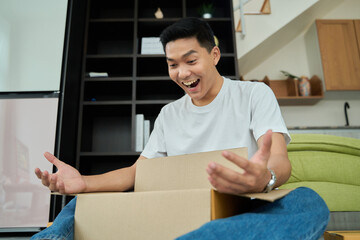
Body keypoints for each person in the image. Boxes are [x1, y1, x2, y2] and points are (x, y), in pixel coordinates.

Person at [32, 18, 329, 240]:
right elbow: (137, 174)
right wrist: (84, 183)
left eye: (190, 60)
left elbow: (279, 160)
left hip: (242, 208)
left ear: (214, 56)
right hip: (178, 208)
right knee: (81, 204)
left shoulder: (254, 94)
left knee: (307, 201)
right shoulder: (168, 115)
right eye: (172, 64)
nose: (182, 73)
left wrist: (265, 177)